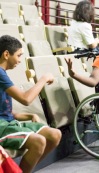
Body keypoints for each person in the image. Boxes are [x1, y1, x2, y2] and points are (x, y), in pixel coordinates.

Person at [0, 35, 62, 173]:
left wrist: (29, 115)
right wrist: (43, 79)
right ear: (6, 54)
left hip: (9, 123)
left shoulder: (3, 73)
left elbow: (5, 111)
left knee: (55, 135)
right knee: (38, 141)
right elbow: (25, 99)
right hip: (1, 127)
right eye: (18, 55)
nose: (19, 60)